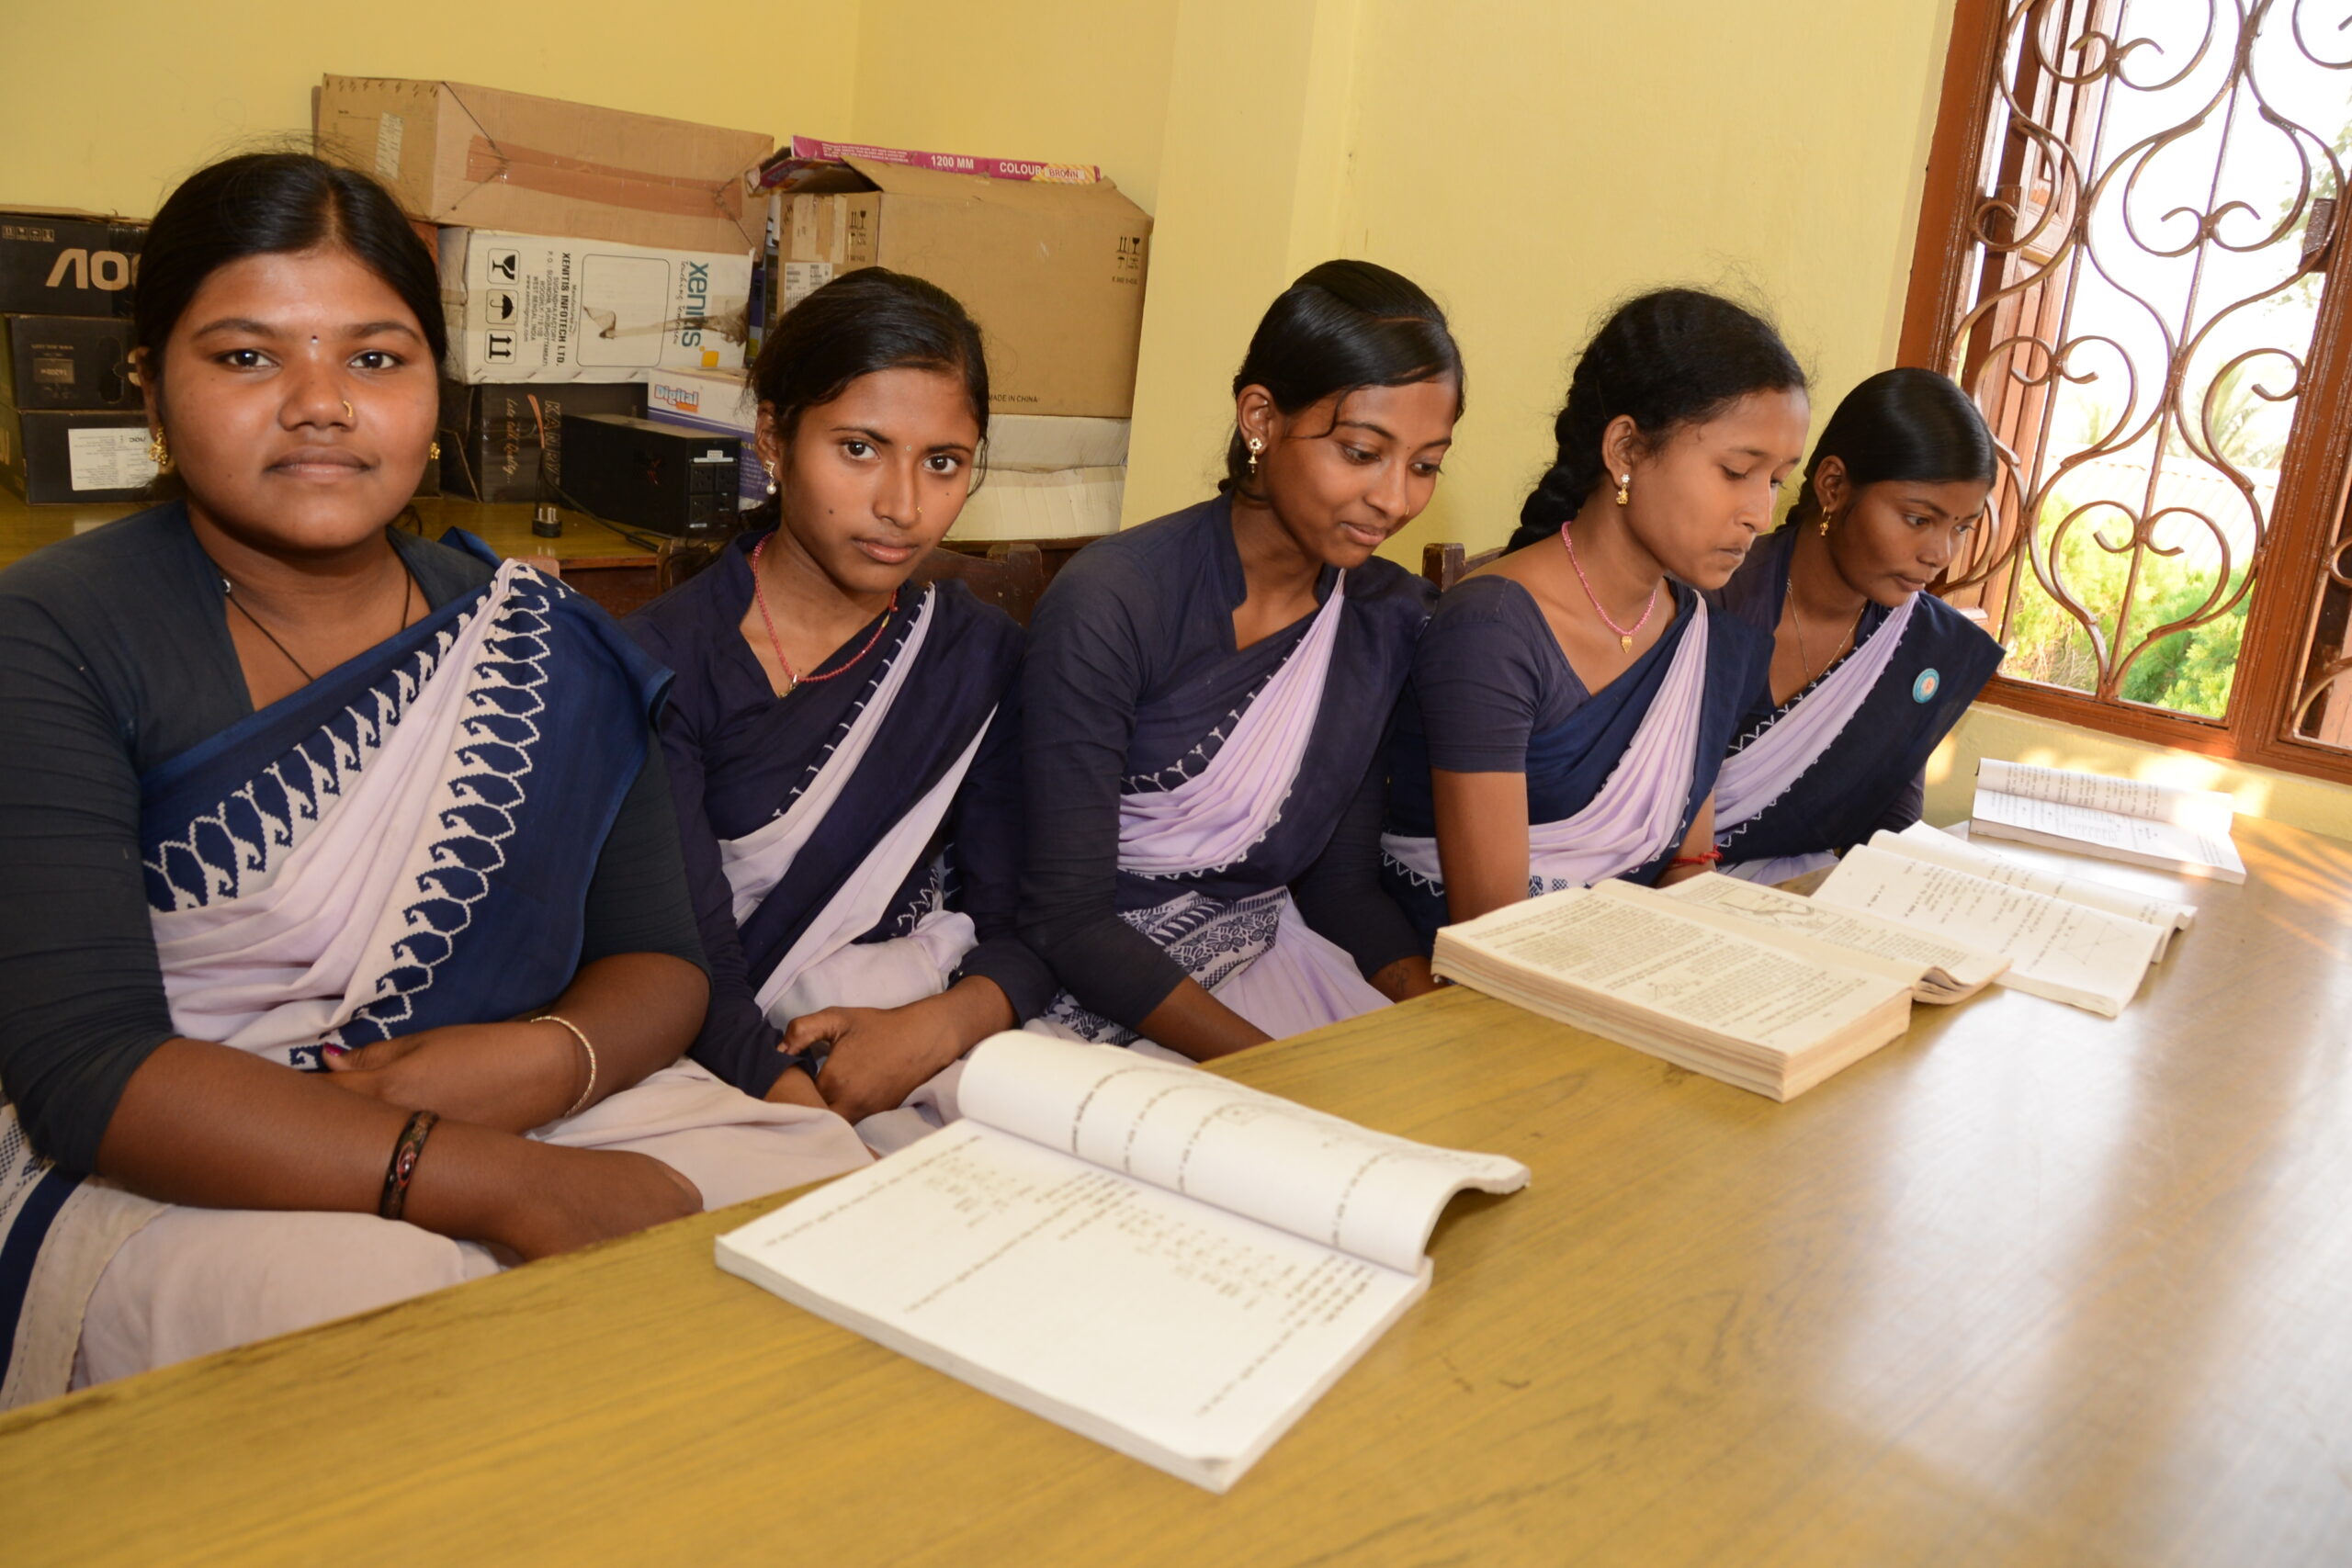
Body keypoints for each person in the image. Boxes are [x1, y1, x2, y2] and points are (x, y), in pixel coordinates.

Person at [0, 153, 867, 1404]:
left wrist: (533, 1069)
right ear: (149, 383)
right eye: (247, 357)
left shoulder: (536, 630)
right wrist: (488, 1175)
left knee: (820, 1190)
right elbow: (89, 1065)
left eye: (376, 357)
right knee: (373, 1324)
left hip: (511, 1080)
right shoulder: (51, 629)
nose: (319, 403)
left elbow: (660, 961)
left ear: (433, 386)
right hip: (184, 1141)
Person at [624, 268, 1052, 1153]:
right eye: (860, 448)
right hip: (718, 1061)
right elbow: (688, 962)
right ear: (773, 438)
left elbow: (1028, 920)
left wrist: (932, 1029)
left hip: (925, 1032)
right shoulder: (661, 664)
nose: (904, 505)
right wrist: (808, 1120)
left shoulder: (976, 655)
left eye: (943, 463)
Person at [1016, 261, 1459, 1060]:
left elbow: (1341, 885)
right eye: (1362, 452)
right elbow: (1066, 918)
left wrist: (1438, 1020)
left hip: (1263, 954)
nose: (1395, 500)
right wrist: (1269, 1076)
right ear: (1261, 416)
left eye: (1424, 465)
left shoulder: (1382, 618)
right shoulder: (1116, 603)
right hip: (1083, 992)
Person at [1382, 288, 1803, 940]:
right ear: (1627, 450)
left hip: (1625, 971)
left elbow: (1687, 866)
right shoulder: (1491, 630)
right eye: (1736, 471)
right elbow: (1492, 929)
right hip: (1462, 994)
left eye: (1775, 480)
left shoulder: (1700, 637)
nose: (1760, 514)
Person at [1707, 367, 2004, 881]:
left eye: (1962, 527)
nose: (1940, 554)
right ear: (1834, 485)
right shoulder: (1712, 600)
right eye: (1918, 519)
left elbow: (1889, 836)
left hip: (1800, 899)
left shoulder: (1922, 646)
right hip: (1649, 892)